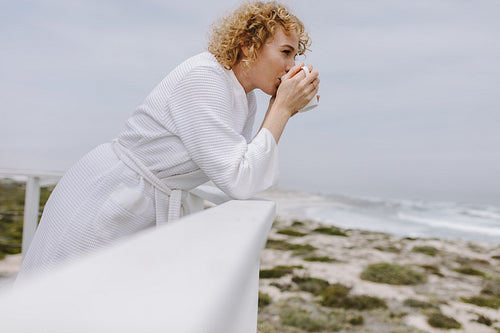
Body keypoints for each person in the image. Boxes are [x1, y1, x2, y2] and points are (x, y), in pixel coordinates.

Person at [16, 1, 320, 280]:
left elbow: (236, 165)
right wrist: (281, 109)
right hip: (111, 195)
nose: (292, 66)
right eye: (285, 52)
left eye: (295, 55)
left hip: (135, 199)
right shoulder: (206, 78)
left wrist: (278, 107)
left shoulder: (242, 97)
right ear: (247, 44)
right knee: (57, 289)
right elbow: (239, 179)